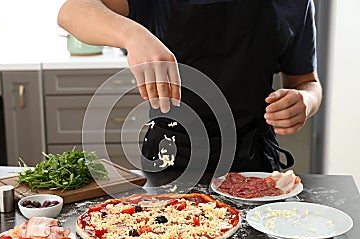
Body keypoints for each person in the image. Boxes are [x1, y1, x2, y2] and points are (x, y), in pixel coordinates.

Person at [58, 0, 322, 173]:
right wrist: (133, 35)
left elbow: (306, 81)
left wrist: (305, 100)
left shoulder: (295, 3)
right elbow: (73, 11)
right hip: (171, 157)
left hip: (252, 161)